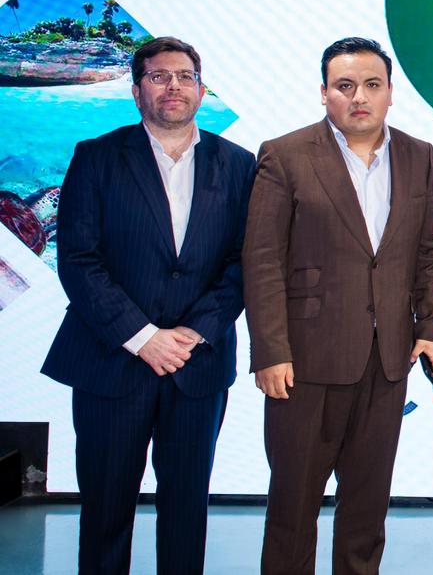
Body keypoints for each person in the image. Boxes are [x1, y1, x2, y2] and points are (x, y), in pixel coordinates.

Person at [42, 36, 256, 574]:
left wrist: (193, 334)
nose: (173, 87)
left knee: (186, 509)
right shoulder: (96, 157)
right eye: (159, 77)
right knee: (105, 510)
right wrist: (144, 338)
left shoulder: (239, 164)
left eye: (185, 76)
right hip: (111, 363)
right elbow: (79, 260)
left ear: (201, 90)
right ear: (137, 91)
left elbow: (244, 261)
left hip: (197, 364)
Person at [242, 37, 433, 575]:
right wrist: (270, 351)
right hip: (304, 363)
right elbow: (262, 261)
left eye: (372, 85)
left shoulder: (418, 154)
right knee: (293, 508)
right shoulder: (285, 155)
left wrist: (429, 327)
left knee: (367, 511)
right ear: (324, 93)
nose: (359, 97)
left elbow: (427, 250)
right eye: (345, 85)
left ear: (390, 93)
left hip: (387, 362)